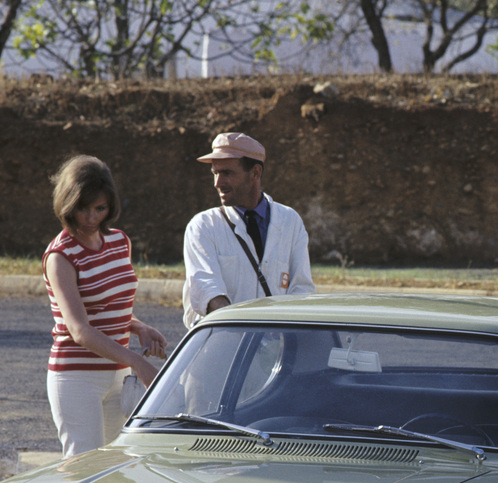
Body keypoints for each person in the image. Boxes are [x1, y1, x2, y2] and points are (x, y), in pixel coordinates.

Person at [44, 155, 167, 457]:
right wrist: (138, 362)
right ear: (67, 203)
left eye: (100, 208)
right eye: (83, 208)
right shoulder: (60, 256)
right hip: (76, 376)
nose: (91, 218)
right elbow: (79, 330)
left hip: (118, 374)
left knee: (116, 465)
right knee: (83, 467)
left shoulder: (119, 241)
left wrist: (139, 327)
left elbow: (108, 307)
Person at [182, 132, 316, 328]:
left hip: (275, 340)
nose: (217, 183)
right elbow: (207, 288)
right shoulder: (203, 226)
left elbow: (301, 289)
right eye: (215, 173)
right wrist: (241, 332)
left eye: (226, 173)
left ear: (255, 173)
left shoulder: (290, 221)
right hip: (224, 339)